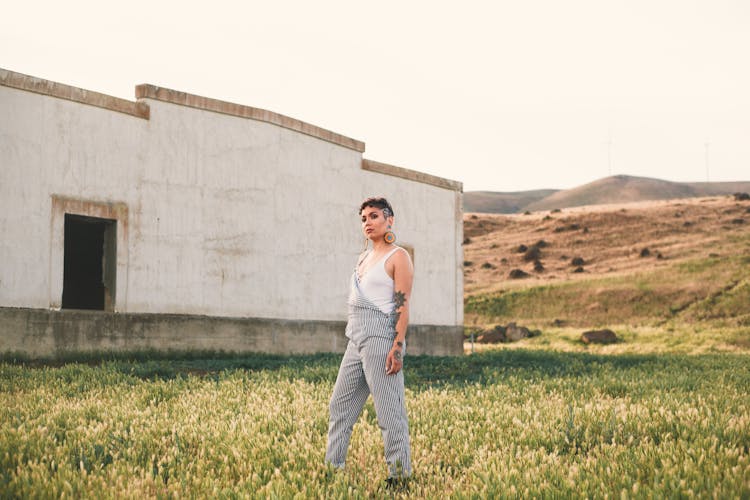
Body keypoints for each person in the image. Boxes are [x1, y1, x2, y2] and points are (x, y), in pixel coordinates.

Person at [325, 196, 414, 483]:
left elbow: (402, 304)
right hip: (356, 338)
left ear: (389, 219)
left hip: (380, 338)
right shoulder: (362, 258)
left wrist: (397, 346)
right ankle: (333, 469)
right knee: (340, 406)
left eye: (374, 216)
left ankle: (399, 477)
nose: (368, 222)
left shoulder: (398, 256)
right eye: (364, 218)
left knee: (389, 411)